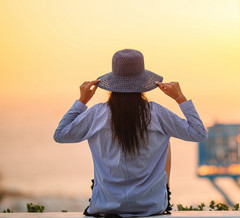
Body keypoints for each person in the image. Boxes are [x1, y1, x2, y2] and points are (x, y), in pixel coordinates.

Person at [54, 49, 208, 217]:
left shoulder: (96, 114)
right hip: (151, 206)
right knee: (165, 139)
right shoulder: (157, 113)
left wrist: (82, 101)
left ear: (112, 83)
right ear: (143, 83)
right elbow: (199, 134)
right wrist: (180, 98)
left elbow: (60, 134)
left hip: (106, 206)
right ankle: (162, 193)